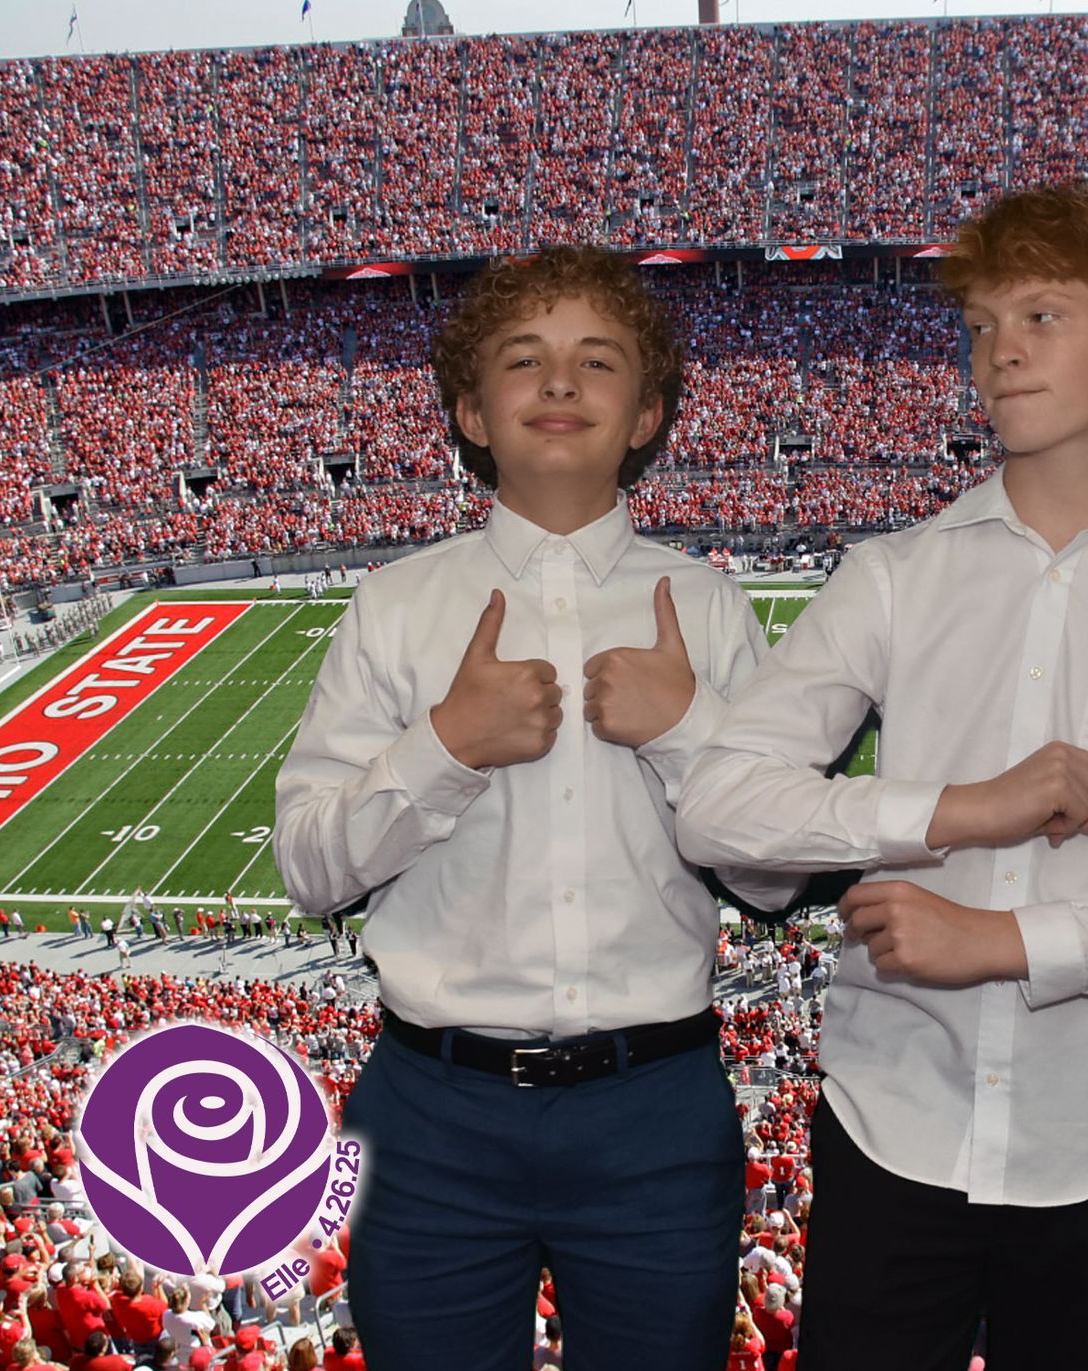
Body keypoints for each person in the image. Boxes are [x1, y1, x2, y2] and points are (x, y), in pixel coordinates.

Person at [676, 181, 1088, 1371]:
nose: (1001, 350)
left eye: (1044, 315)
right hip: (892, 1121)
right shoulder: (897, 575)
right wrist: (971, 810)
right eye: (981, 324)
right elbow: (719, 803)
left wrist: (1001, 940)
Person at [274, 245, 797, 1371]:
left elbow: (776, 878)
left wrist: (686, 733)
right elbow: (311, 869)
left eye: (597, 361)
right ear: (471, 408)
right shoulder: (396, 605)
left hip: (655, 1106)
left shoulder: (707, 606)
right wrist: (445, 747)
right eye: (524, 360)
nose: (560, 385)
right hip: (430, 1109)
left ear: (647, 410)